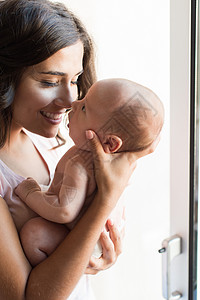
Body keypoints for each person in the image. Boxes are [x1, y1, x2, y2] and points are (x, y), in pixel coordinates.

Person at [0, 0, 157, 299]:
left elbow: (76, 242)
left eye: (74, 80)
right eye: (49, 81)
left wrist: (97, 251)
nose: (70, 98)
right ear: (4, 79)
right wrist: (104, 203)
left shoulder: (54, 141)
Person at [15, 78, 164, 266]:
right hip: (104, 235)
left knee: (33, 233)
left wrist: (31, 193)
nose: (74, 103)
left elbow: (63, 211)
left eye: (84, 108)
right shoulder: (113, 164)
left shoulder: (80, 165)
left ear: (110, 143)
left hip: (90, 239)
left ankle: (49, 272)